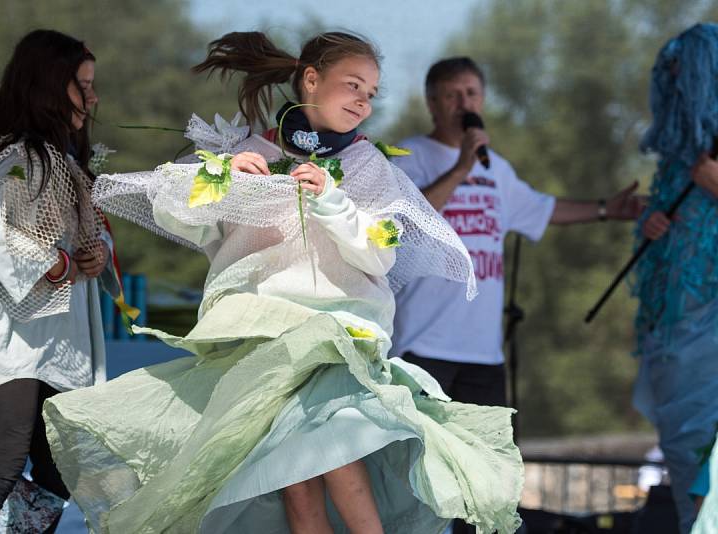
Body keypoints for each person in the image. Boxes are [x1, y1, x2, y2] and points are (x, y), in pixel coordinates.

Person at [42, 31, 524, 533]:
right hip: (265, 340)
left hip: (335, 336)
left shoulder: (365, 164)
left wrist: (333, 201)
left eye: (371, 93)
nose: (363, 101)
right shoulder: (249, 152)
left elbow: (381, 252)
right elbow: (178, 211)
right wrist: (226, 175)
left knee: (337, 447)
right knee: (292, 474)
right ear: (311, 80)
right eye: (353, 85)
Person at [0, 29, 120, 533]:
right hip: (19, 345)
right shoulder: (23, 160)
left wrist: (99, 254)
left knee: (58, 473)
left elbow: (86, 237)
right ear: (49, 88)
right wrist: (53, 264)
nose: (93, 97)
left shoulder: (64, 163)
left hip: (61, 346)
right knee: (3, 461)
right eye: (83, 85)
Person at [390, 57, 643, 409]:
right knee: (419, 458)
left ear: (483, 99)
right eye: (452, 95)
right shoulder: (409, 156)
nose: (464, 104)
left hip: (483, 352)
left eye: (471, 93)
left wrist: (605, 210)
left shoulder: (499, 170)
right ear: (432, 103)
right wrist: (463, 167)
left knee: (488, 460)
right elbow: (412, 218)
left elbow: (543, 208)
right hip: (423, 344)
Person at [631, 23, 718, 533]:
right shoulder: (675, 158)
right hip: (673, 328)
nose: (676, 80)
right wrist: (652, 223)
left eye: (688, 71)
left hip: (707, 327)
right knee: (688, 456)